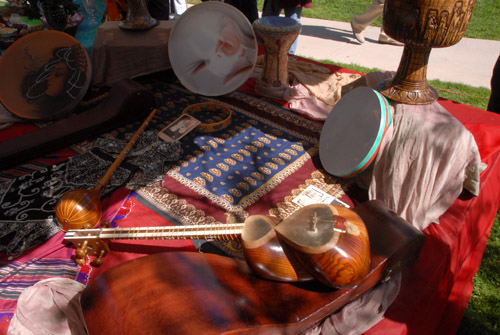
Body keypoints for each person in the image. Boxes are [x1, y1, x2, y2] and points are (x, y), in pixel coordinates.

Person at [21, 44, 88, 117]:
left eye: (58, 74)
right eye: (51, 73)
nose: (48, 78)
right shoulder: (36, 105)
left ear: (72, 80)